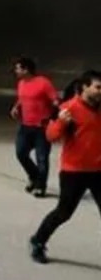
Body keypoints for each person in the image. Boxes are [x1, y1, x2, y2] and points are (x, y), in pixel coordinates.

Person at [28, 69, 101, 264]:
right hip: (74, 172)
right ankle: (37, 241)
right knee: (64, 213)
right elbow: (51, 136)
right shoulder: (69, 109)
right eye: (98, 87)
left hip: (98, 171)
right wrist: (61, 122)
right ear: (85, 87)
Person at [10, 57, 60, 197]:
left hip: (42, 127)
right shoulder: (21, 83)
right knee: (20, 153)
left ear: (26, 69)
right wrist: (16, 107)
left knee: (42, 158)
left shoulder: (43, 83)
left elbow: (55, 100)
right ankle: (34, 176)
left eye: (18, 68)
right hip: (26, 126)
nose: (16, 71)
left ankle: (40, 186)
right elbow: (23, 97)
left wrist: (56, 115)